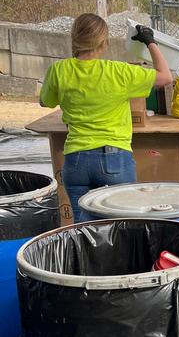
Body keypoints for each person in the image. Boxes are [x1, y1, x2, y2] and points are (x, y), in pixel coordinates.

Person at [40, 13, 172, 222]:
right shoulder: (117, 72)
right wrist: (150, 41)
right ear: (104, 42)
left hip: (76, 160)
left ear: (75, 38)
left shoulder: (59, 70)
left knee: (83, 230)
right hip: (114, 159)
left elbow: (45, 101)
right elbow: (165, 76)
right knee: (122, 228)